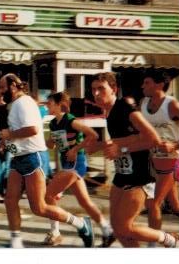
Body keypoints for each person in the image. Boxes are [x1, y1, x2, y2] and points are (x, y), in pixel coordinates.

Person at [0, 73, 94, 248]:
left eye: (3, 87)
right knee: (10, 200)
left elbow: (33, 130)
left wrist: (9, 134)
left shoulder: (24, 102)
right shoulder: (13, 105)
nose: (0, 92)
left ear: (13, 86)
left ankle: (80, 224)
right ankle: (16, 241)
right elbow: (19, 141)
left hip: (34, 157)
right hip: (19, 158)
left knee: (39, 207)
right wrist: (6, 145)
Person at [88, 72, 179, 247]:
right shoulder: (110, 111)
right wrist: (98, 146)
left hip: (141, 176)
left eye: (101, 88)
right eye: (93, 89)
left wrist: (120, 148)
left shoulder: (124, 107)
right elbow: (124, 139)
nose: (96, 93)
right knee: (119, 230)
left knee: (124, 226)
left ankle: (171, 240)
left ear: (114, 89)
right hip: (122, 175)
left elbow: (153, 139)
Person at [43, 91, 115, 247]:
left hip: (77, 163)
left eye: (49, 103)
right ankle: (107, 229)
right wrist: (49, 143)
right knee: (85, 202)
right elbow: (53, 144)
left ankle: (56, 233)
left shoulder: (71, 120)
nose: (47, 106)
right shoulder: (53, 123)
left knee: (49, 195)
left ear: (58, 105)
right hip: (66, 164)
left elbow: (93, 135)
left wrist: (75, 149)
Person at [140, 71, 179, 246]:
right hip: (152, 161)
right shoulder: (144, 103)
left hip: (172, 160)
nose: (143, 86)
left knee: (154, 203)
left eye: (147, 82)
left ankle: (153, 245)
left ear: (159, 85)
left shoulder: (172, 106)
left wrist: (175, 145)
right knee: (176, 206)